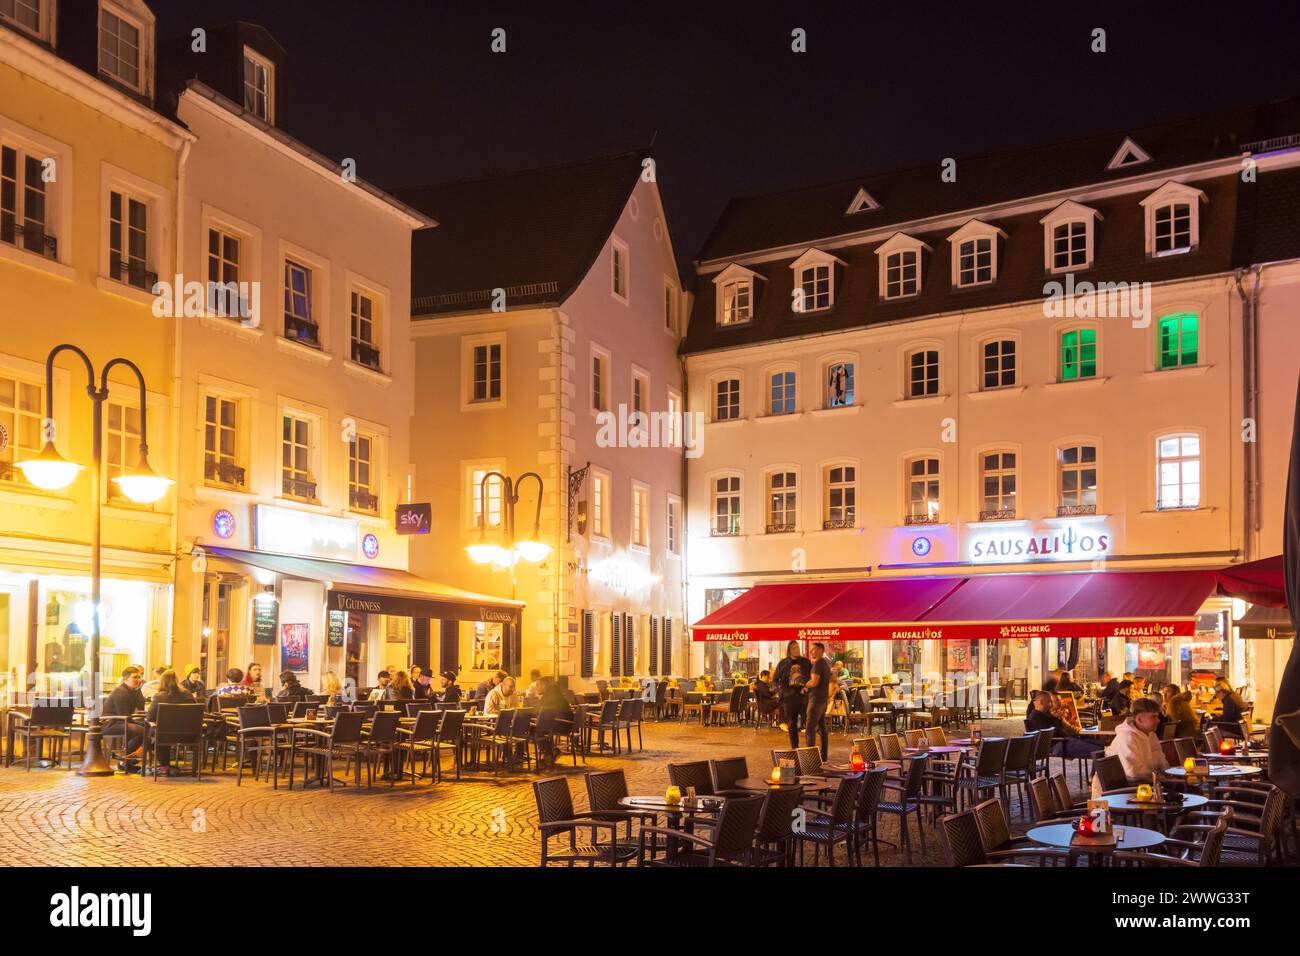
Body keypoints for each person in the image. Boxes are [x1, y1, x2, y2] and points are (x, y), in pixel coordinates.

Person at [1094, 698, 1168, 795]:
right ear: (1139, 719)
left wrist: (1168, 773)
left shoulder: (1151, 735)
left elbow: (1160, 759)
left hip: (1141, 786)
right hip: (1119, 793)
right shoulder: (1127, 737)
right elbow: (1135, 772)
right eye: (1153, 717)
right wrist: (1161, 778)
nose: (1158, 720)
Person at [1027, 691, 1102, 760]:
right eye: (1050, 702)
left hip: (1065, 741)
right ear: (1042, 702)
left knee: (1102, 745)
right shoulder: (1036, 717)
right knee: (1099, 751)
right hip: (1059, 745)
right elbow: (1048, 735)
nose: (1052, 704)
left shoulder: (1045, 714)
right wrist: (1057, 719)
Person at [147, 670, 198, 772]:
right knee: (160, 731)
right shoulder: (188, 695)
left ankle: (164, 765)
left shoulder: (159, 696)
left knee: (153, 731)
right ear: (177, 681)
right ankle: (194, 769)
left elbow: (150, 717)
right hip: (189, 736)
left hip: (165, 735)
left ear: (162, 682)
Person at [103, 666, 147, 767]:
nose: (138, 680)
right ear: (126, 679)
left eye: (139, 677)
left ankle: (125, 761)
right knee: (144, 730)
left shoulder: (133, 691)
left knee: (148, 728)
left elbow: (140, 707)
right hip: (111, 724)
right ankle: (124, 758)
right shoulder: (121, 692)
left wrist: (138, 690)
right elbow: (124, 714)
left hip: (123, 721)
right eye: (135, 677)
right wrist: (139, 723)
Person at [772, 640, 811, 748]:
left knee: (807, 723)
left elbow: (811, 678)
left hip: (803, 696)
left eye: (797, 647)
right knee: (792, 724)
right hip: (789, 697)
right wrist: (781, 692)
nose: (797, 649)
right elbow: (775, 680)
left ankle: (810, 748)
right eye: (794, 648)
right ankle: (794, 748)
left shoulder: (806, 662)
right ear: (789, 650)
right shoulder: (783, 663)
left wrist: (807, 688)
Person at [804, 642, 833, 760]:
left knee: (810, 728)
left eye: (814, 649)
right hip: (822, 699)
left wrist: (802, 683)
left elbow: (814, 682)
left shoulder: (818, 664)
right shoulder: (826, 664)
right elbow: (832, 679)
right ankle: (823, 755)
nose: (811, 651)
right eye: (811, 649)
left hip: (815, 700)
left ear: (821, 651)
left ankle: (810, 758)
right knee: (822, 728)